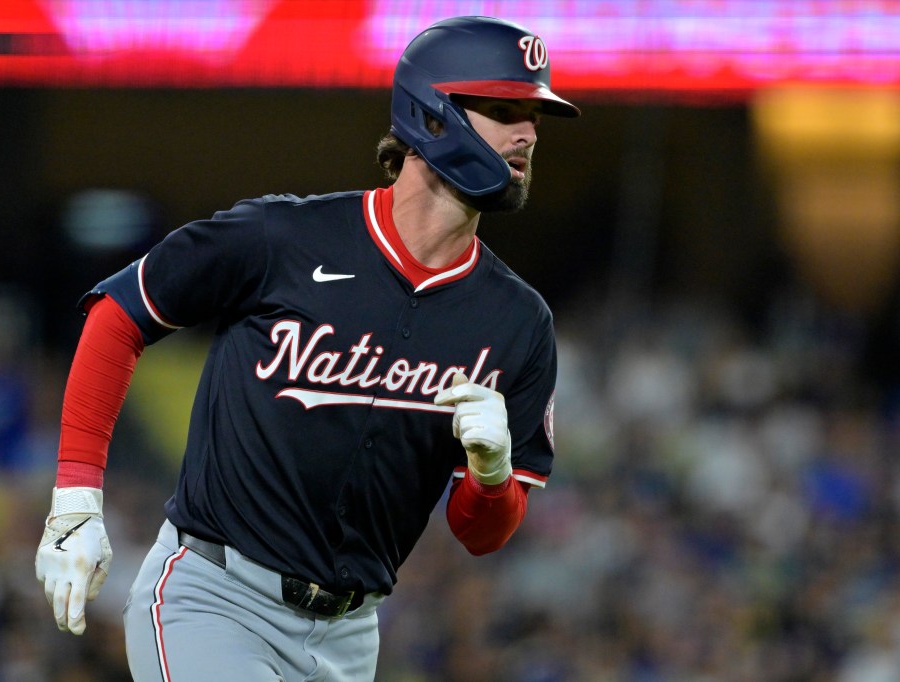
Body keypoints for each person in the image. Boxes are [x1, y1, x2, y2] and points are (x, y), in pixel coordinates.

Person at [35, 15, 580, 681]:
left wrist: (491, 476)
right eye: (504, 109)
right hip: (216, 598)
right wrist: (74, 502)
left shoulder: (517, 319)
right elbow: (120, 314)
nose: (528, 132)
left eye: (535, 115)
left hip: (351, 636)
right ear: (431, 117)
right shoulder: (284, 238)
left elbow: (480, 533)